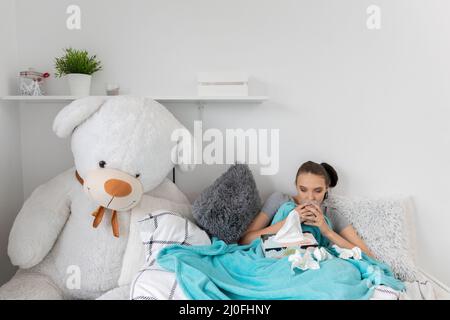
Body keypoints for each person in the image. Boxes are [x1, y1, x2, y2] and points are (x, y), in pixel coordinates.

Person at [239, 161, 374, 257]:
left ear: (326, 189)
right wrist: (288, 222)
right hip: (276, 260)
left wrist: (327, 231)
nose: (310, 197)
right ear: (296, 186)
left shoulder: (331, 214)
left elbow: (367, 255)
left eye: (318, 190)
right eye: (303, 190)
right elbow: (245, 240)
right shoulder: (280, 199)